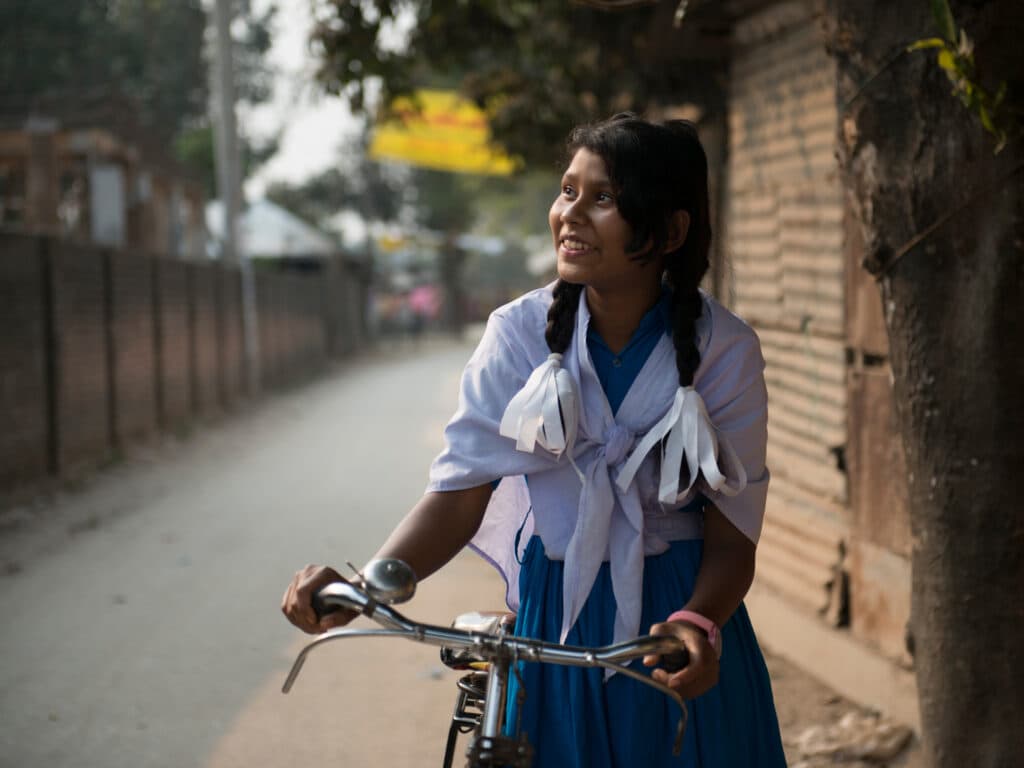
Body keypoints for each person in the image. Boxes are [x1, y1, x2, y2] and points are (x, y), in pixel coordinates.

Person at [282, 113, 787, 767]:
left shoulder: (725, 349)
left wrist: (697, 623)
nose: (570, 214)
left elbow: (731, 535)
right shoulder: (516, 334)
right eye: (567, 191)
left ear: (670, 229)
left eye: (602, 198)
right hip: (553, 621)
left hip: (675, 628)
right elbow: (458, 496)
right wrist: (368, 587)